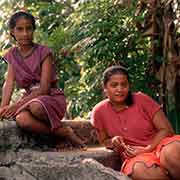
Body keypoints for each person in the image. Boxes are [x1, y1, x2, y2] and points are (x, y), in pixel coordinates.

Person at [0, 10, 85, 149]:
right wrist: (3, 108)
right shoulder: (12, 55)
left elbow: (44, 88)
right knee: (22, 120)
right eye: (20, 29)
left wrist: (15, 106)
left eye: (29, 28)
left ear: (34, 30)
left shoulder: (44, 52)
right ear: (12, 32)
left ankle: (59, 132)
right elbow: (9, 82)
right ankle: (62, 132)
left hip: (50, 97)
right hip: (29, 98)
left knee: (36, 106)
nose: (25, 33)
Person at [90, 65, 180, 179]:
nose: (120, 89)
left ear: (129, 86)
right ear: (105, 88)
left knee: (172, 153)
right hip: (135, 156)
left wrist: (148, 148)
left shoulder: (142, 99)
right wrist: (113, 141)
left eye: (124, 85)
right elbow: (104, 141)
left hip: (161, 145)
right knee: (141, 171)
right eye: (114, 85)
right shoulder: (99, 111)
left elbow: (167, 130)